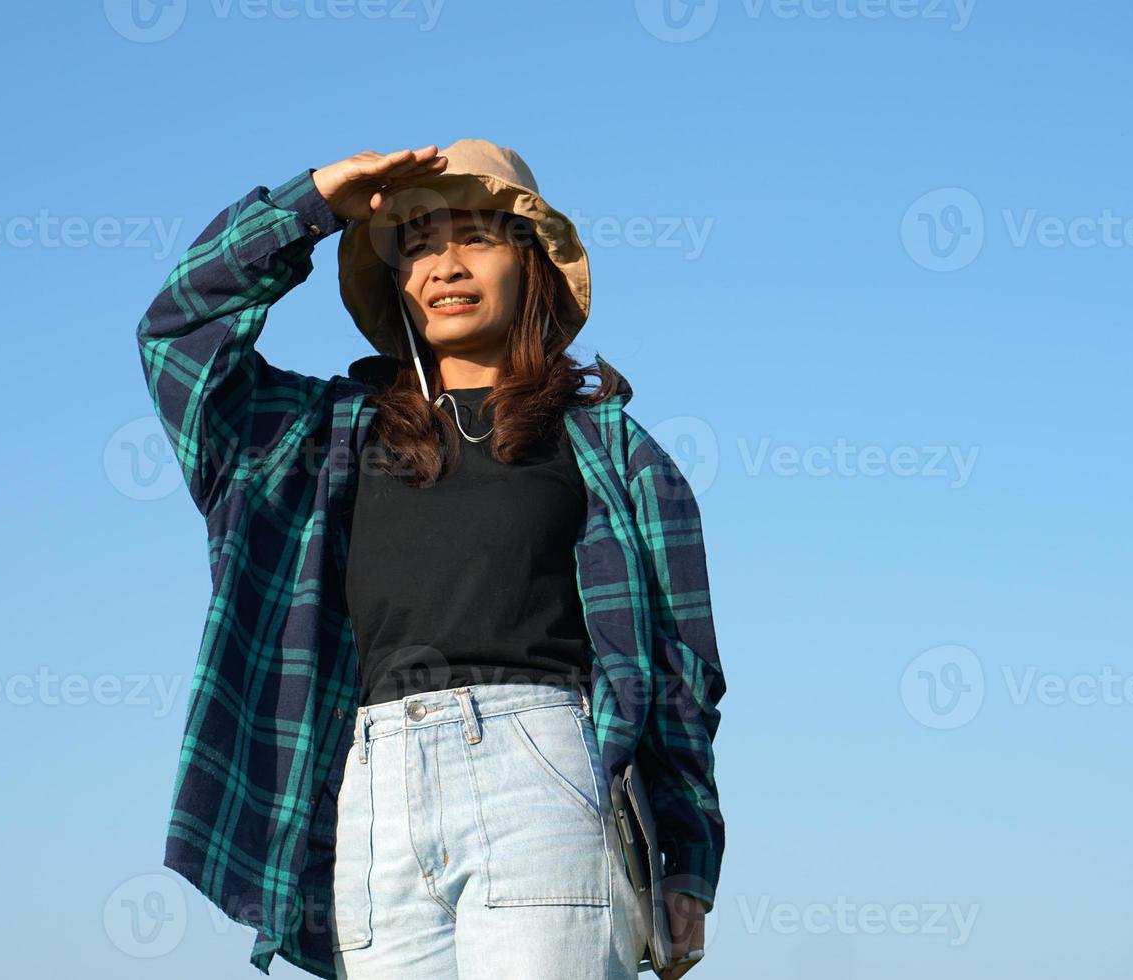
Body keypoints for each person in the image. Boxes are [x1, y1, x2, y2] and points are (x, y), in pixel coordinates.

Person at [136, 140, 725, 979]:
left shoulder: (610, 447)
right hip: (370, 791)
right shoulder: (317, 437)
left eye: (475, 238)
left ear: (528, 264)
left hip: (544, 775)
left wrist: (687, 856)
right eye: (414, 244)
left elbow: (679, 670)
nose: (443, 264)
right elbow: (176, 334)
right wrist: (310, 204)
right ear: (396, 285)